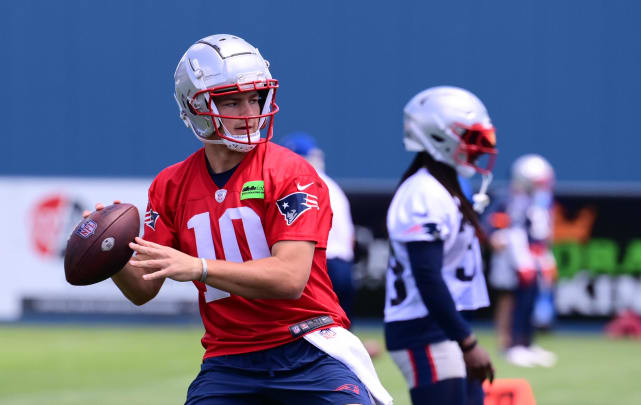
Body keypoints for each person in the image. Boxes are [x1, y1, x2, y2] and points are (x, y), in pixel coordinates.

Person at [83, 34, 391, 405]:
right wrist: (110, 252)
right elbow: (143, 290)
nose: (249, 112)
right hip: (229, 360)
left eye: (254, 98)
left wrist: (199, 267)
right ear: (195, 106)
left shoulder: (291, 172)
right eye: (231, 101)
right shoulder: (171, 185)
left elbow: (290, 278)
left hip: (308, 345)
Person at [384, 86, 496, 405]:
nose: (479, 147)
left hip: (443, 327)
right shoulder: (424, 193)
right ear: (437, 135)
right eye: (470, 137)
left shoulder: (444, 187)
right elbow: (428, 277)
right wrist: (468, 342)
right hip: (423, 329)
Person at [280, 132, 382, 358]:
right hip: (342, 264)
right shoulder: (332, 186)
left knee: (315, 334)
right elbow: (351, 236)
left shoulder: (303, 184)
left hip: (322, 265)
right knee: (340, 332)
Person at [487, 154, 558, 368]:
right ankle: (511, 345)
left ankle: (526, 343)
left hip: (531, 259)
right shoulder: (508, 199)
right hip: (511, 261)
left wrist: (544, 258)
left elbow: (539, 234)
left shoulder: (540, 202)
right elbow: (500, 229)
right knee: (511, 301)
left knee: (531, 301)